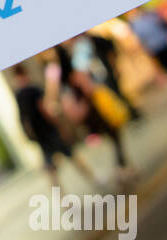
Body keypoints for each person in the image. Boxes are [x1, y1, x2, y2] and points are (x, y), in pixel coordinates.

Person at [10, 63, 104, 191]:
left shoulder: (18, 94)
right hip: (49, 131)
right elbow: (44, 109)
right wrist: (59, 125)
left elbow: (22, 117)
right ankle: (94, 179)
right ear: (25, 73)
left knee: (51, 170)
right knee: (72, 156)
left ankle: (63, 200)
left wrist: (29, 135)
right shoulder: (33, 89)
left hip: (40, 137)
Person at [129, 7, 167, 88]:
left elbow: (163, 23)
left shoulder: (150, 14)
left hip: (163, 41)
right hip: (154, 47)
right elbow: (140, 38)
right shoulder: (134, 24)